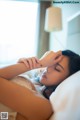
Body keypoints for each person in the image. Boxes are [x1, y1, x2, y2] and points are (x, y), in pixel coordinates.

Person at [0, 50, 80, 120]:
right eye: (51, 63)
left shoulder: (43, 108)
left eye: (57, 69)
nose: (48, 68)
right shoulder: (36, 82)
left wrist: (39, 63)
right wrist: (20, 66)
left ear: (65, 81)